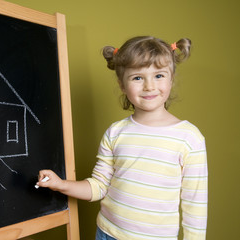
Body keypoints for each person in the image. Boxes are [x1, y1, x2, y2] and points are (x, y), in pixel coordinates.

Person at [37, 36, 208, 240]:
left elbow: (195, 204)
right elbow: (99, 186)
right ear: (122, 85)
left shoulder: (189, 138)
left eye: (159, 75)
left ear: (171, 79)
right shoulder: (115, 132)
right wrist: (61, 184)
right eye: (137, 78)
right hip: (107, 233)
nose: (149, 86)